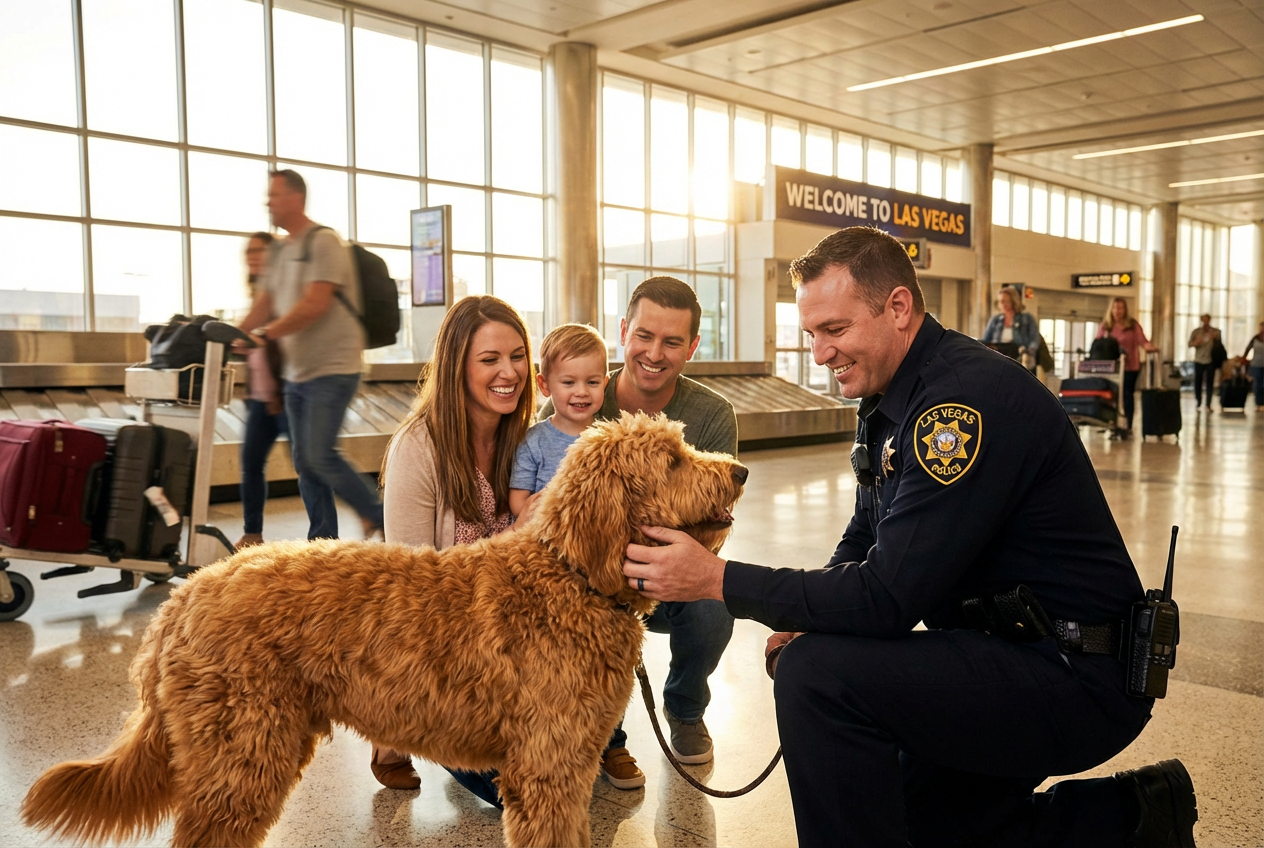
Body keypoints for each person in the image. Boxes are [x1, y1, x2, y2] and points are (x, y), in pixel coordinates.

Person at [622, 227, 1197, 848]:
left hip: (1072, 670)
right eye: (811, 333)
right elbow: (864, 534)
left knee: (816, 675)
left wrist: (717, 579)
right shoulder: (892, 394)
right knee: (923, 823)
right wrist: (807, 617)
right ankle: (1137, 816)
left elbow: (888, 598)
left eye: (834, 329)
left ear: (897, 307)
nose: (819, 353)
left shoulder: (959, 405)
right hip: (1006, 650)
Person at [539, 276, 738, 788]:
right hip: (590, 575)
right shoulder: (576, 395)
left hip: (670, 566)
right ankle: (605, 734)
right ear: (624, 330)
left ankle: (685, 707)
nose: (654, 353)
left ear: (692, 346)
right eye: (644, 336)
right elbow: (558, 525)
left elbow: (711, 516)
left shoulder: (713, 414)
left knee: (716, 602)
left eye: (672, 341)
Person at [374, 294, 534, 795]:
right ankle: (391, 724)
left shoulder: (529, 439)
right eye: (489, 359)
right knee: (515, 791)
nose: (509, 372)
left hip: (511, 636)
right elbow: (412, 588)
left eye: (517, 356)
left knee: (562, 773)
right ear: (456, 368)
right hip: (443, 644)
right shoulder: (417, 448)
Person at [239, 169, 383, 540]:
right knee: (305, 462)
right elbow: (265, 302)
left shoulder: (324, 242)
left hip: (333, 367)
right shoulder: (280, 251)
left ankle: (379, 515)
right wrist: (237, 335)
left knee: (319, 454)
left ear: (296, 198)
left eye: (274, 195)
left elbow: (316, 303)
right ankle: (322, 540)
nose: (268, 202)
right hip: (297, 373)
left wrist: (267, 333)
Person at [508, 323, 608, 521]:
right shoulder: (533, 441)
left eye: (592, 382)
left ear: (604, 384)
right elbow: (517, 502)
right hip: (545, 531)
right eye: (569, 382)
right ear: (545, 385)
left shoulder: (610, 438)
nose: (582, 392)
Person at [236, 232, 288, 549]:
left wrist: (258, 338)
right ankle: (252, 534)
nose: (252, 256)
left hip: (283, 396)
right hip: (259, 398)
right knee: (251, 465)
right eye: (249, 251)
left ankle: (327, 532)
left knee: (313, 465)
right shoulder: (257, 294)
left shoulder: (283, 292)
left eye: (259, 250)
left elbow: (284, 342)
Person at [1096, 297, 1158, 434]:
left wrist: (1150, 347)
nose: (1117, 311)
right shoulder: (1106, 326)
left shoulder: (1132, 325)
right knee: (1111, 395)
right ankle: (1111, 422)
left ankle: (1128, 425)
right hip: (1112, 368)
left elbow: (1143, 341)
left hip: (1130, 366)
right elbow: (1098, 344)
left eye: (1120, 308)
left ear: (1125, 310)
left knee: (1127, 395)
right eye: (1115, 308)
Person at [980, 286, 1039, 371]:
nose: (1001, 304)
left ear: (1013, 301)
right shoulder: (995, 320)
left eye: (1004, 301)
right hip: (999, 358)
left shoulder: (1027, 318)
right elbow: (986, 340)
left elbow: (1034, 340)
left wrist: (1028, 354)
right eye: (1000, 301)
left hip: (1020, 358)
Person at [1188, 314, 1222, 411]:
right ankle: (1198, 401)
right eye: (1204, 320)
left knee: (1210, 383)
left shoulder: (1216, 332)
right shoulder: (1196, 332)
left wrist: (1214, 338)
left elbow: (1219, 345)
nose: (1206, 322)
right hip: (1199, 360)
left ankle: (1208, 404)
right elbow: (1189, 344)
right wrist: (1196, 342)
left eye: (1207, 320)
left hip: (1210, 360)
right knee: (1198, 382)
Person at [1241, 320, 1264, 409]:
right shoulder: (1255, 338)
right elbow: (1248, 349)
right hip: (1256, 364)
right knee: (1257, 384)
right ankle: (1259, 403)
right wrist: (1244, 359)